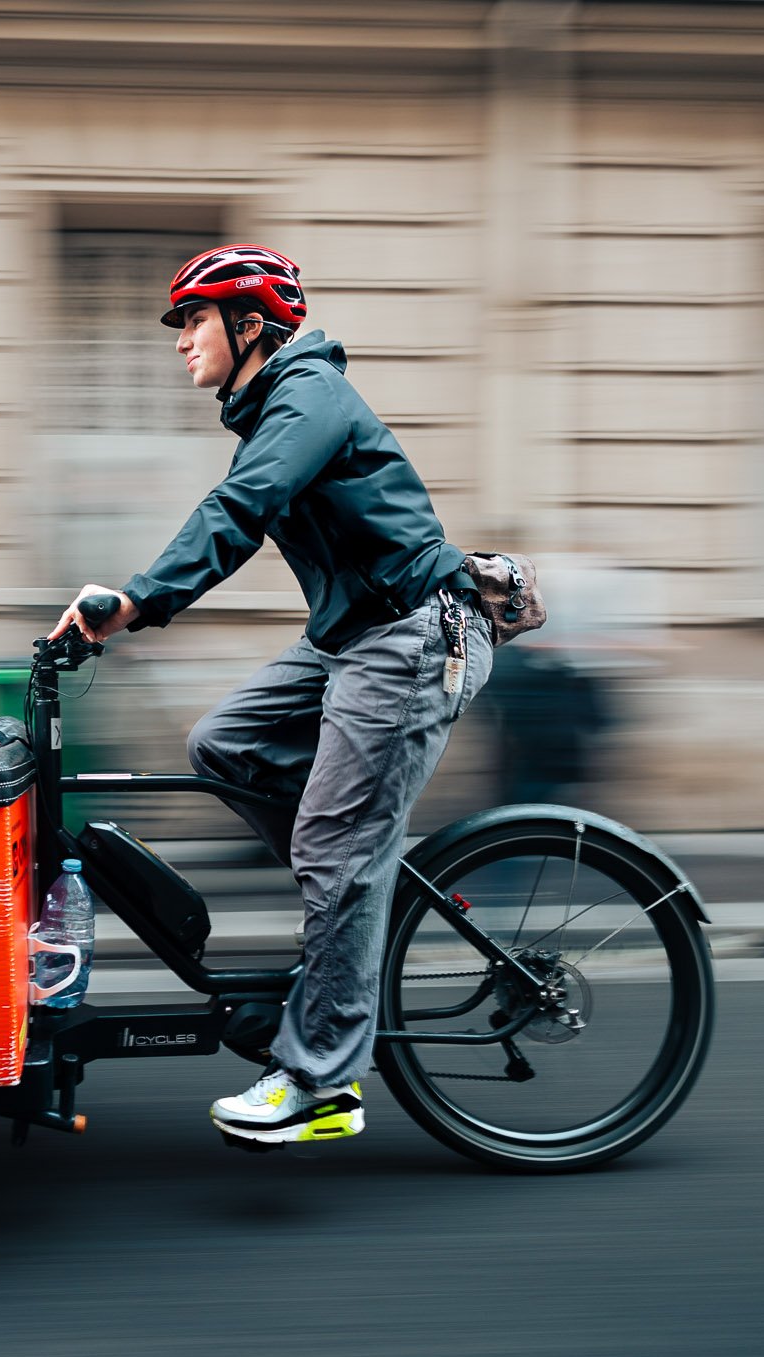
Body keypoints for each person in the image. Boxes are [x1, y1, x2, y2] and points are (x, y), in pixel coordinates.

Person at [48, 243, 494, 1145]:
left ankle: (323, 1084)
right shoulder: (270, 404)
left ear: (249, 325)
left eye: (194, 320)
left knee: (335, 848)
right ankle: (353, 902)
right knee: (224, 744)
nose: (180, 339)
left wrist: (137, 599)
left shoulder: (307, 394)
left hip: (412, 634)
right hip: (350, 638)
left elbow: (239, 508)